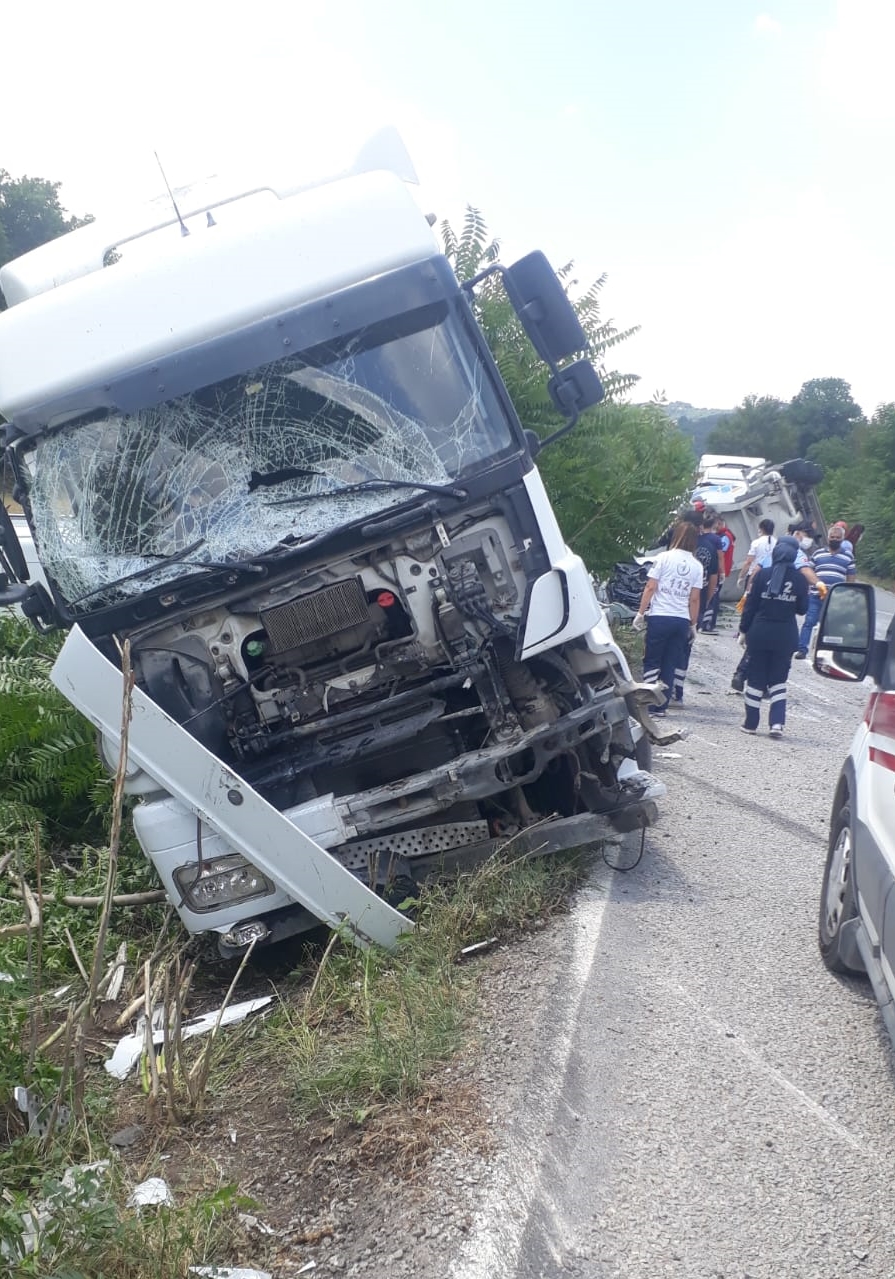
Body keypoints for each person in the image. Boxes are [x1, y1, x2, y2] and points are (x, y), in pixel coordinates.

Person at [738, 536, 809, 738]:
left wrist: (743, 630)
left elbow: (750, 607)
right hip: (785, 636)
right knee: (778, 680)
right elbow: (803, 609)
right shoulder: (800, 580)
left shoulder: (762, 575)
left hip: (759, 634)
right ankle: (776, 724)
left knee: (755, 678)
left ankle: (751, 723)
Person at [632, 521, 703, 717]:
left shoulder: (663, 558)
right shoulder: (697, 566)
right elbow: (694, 599)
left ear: (676, 537)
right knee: (670, 663)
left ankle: (647, 703)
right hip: (681, 620)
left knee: (652, 660)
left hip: (660, 617)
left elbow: (650, 587)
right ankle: (661, 706)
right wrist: (693, 624)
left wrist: (640, 613)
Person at [794, 525, 857, 659]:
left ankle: (824, 653)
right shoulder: (818, 553)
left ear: (842, 538)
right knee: (809, 622)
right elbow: (808, 572)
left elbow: (851, 579)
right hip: (815, 596)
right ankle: (802, 649)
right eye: (832, 537)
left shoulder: (848, 557)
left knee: (829, 626)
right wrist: (806, 591)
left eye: (837, 538)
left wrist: (848, 597)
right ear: (828, 538)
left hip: (835, 599)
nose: (834, 539)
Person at [695, 511, 724, 633]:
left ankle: (696, 621)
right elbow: (720, 557)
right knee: (711, 598)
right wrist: (721, 572)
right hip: (711, 572)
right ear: (713, 525)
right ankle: (707, 624)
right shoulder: (716, 539)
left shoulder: (698, 539)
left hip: (698, 572)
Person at [736, 519, 776, 591]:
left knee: (750, 599)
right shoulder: (777, 543)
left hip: (755, 575)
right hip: (771, 576)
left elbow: (748, 562)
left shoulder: (756, 543)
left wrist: (741, 576)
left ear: (761, 529)